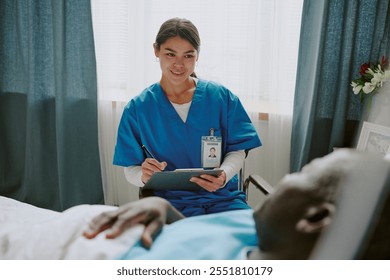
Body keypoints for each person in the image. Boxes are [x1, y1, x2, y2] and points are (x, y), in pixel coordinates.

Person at [84, 149, 389, 260]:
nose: (284, 178)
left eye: (301, 173)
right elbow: (210, 238)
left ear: (316, 217)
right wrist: (166, 212)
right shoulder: (263, 229)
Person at [113, 17, 262, 217]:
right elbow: (130, 167)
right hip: (169, 204)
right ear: (156, 51)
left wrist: (224, 175)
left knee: (251, 245)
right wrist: (143, 174)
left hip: (223, 199)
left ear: (197, 56)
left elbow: (238, 150)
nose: (179, 64)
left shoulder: (220, 97)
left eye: (188, 56)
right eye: (170, 54)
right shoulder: (138, 108)